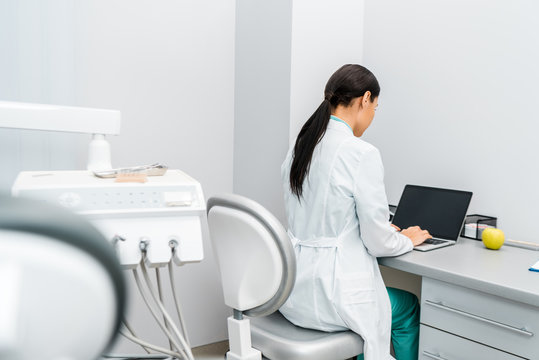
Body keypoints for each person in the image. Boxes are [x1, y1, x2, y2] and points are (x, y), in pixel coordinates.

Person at [280, 64, 432, 360]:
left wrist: (382, 230)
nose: (373, 116)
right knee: (405, 306)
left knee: (374, 310)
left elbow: (328, 219)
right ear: (365, 99)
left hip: (292, 293)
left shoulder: (301, 147)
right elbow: (376, 242)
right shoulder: (361, 153)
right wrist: (407, 239)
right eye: (375, 107)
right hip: (334, 298)